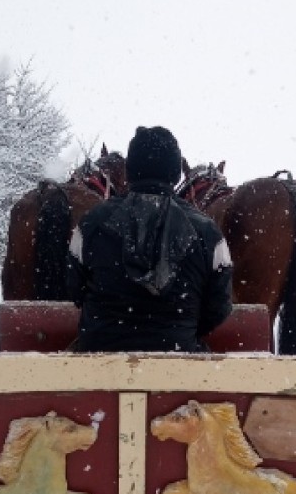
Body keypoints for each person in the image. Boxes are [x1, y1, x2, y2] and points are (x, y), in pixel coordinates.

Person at [66, 126, 233, 352]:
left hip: (99, 357)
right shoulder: (208, 232)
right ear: (175, 173)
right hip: (179, 360)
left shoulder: (91, 224)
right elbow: (219, 306)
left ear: (130, 170)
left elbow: (74, 288)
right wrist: (181, 329)